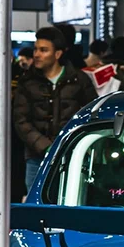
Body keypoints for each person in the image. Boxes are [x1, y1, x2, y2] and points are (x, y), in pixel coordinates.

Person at [12, 26, 97, 195]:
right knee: (37, 203)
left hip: (73, 156)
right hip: (36, 158)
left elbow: (92, 113)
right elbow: (21, 121)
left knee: (71, 200)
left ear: (58, 54)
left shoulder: (79, 80)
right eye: (36, 49)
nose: (37, 54)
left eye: (43, 50)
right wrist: (45, 147)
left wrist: (72, 145)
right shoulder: (27, 82)